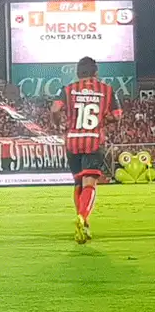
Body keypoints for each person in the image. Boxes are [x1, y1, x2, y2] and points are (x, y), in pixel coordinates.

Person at [49, 56, 122, 243]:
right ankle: (82, 217)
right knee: (90, 183)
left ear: (77, 73)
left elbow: (55, 110)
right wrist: (103, 119)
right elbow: (117, 115)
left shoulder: (67, 89)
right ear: (96, 72)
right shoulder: (106, 90)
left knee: (78, 183)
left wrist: (58, 126)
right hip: (94, 140)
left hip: (72, 141)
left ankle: (84, 224)